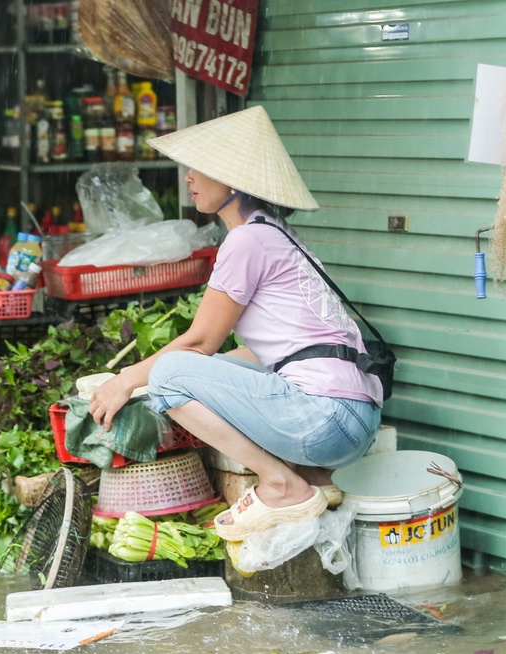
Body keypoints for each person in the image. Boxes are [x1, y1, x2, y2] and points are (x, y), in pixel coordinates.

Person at [87, 106, 382, 542]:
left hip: (325, 420)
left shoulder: (245, 241)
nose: (188, 176)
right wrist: (210, 376)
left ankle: (282, 484)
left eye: (200, 168)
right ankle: (313, 476)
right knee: (225, 364)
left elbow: (200, 342)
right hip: (357, 421)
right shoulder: (275, 233)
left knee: (171, 374)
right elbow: (262, 353)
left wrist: (125, 380)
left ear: (234, 179)